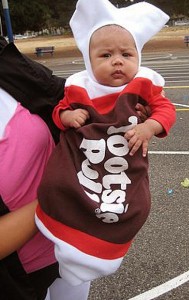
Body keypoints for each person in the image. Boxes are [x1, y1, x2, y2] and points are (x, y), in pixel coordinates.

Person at [35, 0, 176, 288]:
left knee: (135, 207)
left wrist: (150, 125)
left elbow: (166, 110)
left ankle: (99, 254)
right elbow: (58, 112)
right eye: (106, 55)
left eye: (126, 53)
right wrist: (67, 115)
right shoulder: (78, 87)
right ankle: (70, 249)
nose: (117, 61)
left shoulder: (143, 84)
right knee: (58, 189)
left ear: (138, 56)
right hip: (84, 161)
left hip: (121, 165)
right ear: (89, 61)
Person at [0, 36, 91, 299]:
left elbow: (60, 94)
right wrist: (59, 195)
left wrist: (122, 101)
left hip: (69, 243)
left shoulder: (4, 60)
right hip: (18, 280)